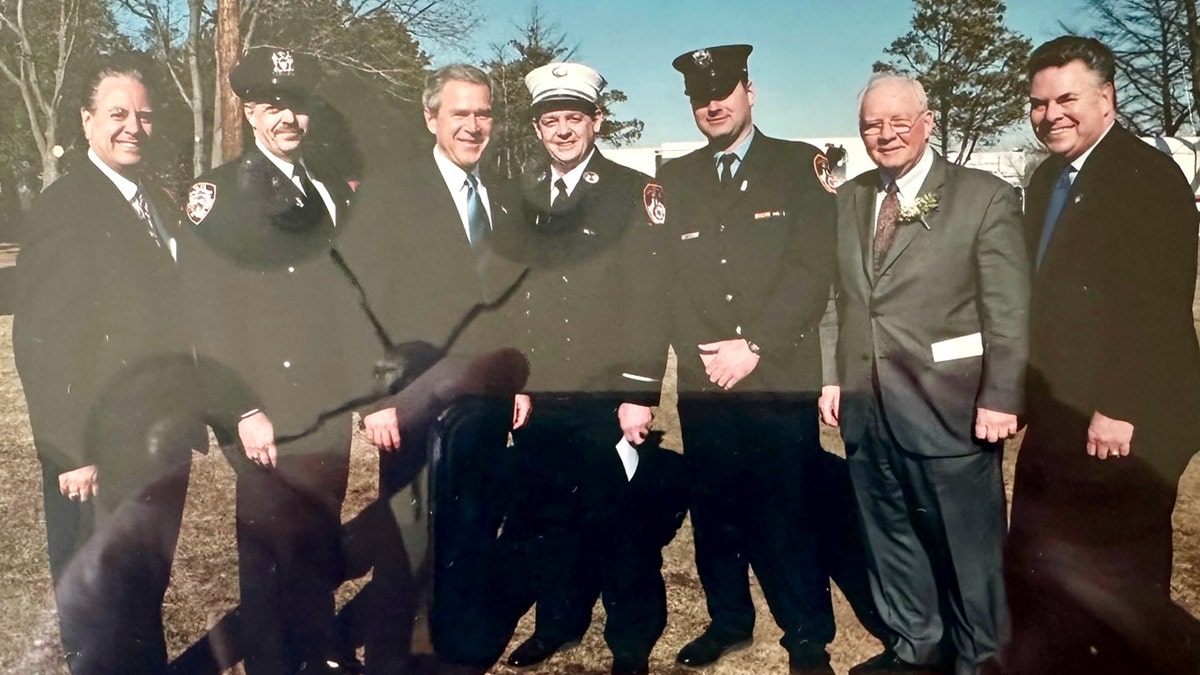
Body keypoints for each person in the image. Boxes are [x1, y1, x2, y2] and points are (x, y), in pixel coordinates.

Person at [818, 72, 1028, 675]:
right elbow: (841, 299)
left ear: (928, 122)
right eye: (870, 125)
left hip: (950, 407)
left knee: (968, 550)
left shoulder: (983, 196)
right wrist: (834, 376)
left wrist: (1001, 396)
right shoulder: (851, 198)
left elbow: (1007, 309)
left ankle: (981, 658)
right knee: (890, 540)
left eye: (897, 121)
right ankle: (916, 649)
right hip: (867, 405)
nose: (884, 135)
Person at [1003, 36, 1200, 675]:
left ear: (1107, 97)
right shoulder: (1047, 178)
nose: (1050, 114)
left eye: (1066, 99)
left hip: (1125, 421)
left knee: (1121, 579)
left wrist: (1118, 407)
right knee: (1047, 561)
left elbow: (1155, 304)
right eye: (1037, 103)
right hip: (1065, 410)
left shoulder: (1144, 174)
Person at [485, 61, 687, 675]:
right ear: (538, 127)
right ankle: (559, 624)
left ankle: (631, 644)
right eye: (551, 120)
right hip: (542, 394)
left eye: (575, 118)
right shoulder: (517, 193)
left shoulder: (634, 192)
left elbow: (652, 297)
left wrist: (639, 390)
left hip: (609, 392)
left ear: (597, 122)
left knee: (621, 527)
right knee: (551, 520)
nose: (563, 131)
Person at [12, 54, 207, 674]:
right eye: (118, 113)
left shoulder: (156, 205)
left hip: (160, 444)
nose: (133, 127)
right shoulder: (65, 206)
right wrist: (71, 450)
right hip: (98, 453)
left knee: (142, 590)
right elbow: (40, 341)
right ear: (86, 120)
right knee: (98, 608)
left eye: (144, 116)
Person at [336, 63, 528, 675]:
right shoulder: (392, 192)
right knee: (407, 548)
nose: (473, 126)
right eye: (459, 114)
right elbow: (357, 300)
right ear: (431, 118)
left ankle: (449, 658)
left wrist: (517, 383)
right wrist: (373, 399)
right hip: (412, 406)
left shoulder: (499, 192)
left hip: (485, 406)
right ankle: (392, 662)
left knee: (469, 538)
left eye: (482, 114)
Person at [658, 44, 841, 675]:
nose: (712, 103)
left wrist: (754, 345)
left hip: (778, 376)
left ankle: (808, 635)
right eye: (699, 96)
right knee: (715, 511)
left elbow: (813, 271)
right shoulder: (675, 178)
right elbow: (670, 282)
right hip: (709, 380)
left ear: (749, 91)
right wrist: (706, 355)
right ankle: (728, 622)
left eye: (724, 90)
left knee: (787, 509)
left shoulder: (800, 166)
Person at [183, 46, 363, 675]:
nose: (289, 117)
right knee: (266, 554)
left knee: (315, 539)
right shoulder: (219, 194)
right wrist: (242, 408)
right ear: (252, 110)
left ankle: (313, 654)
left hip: (327, 406)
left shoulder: (327, 190)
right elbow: (207, 317)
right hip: (263, 407)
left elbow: (344, 301)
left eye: (298, 105)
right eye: (274, 104)